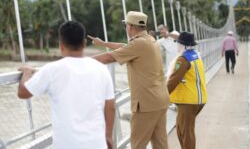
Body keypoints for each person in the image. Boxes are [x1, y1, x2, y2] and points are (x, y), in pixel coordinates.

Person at [17, 21, 115, 149]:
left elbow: (23, 93)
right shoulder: (101, 69)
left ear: (61, 45)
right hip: (96, 143)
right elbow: (110, 107)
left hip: (66, 144)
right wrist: (108, 136)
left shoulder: (52, 70)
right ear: (84, 43)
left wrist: (27, 73)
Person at [88, 11, 169, 149]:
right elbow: (125, 47)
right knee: (160, 144)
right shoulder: (149, 40)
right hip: (160, 100)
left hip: (146, 104)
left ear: (130, 27)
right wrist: (104, 43)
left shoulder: (139, 44)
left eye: (126, 25)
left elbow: (108, 58)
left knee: (137, 145)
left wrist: (78, 62)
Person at [166, 31, 208, 149]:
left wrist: (161, 95)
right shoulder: (195, 55)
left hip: (189, 101)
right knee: (182, 129)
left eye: (178, 43)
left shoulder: (183, 60)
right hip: (197, 99)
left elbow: (173, 80)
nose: (177, 46)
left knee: (186, 133)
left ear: (184, 45)